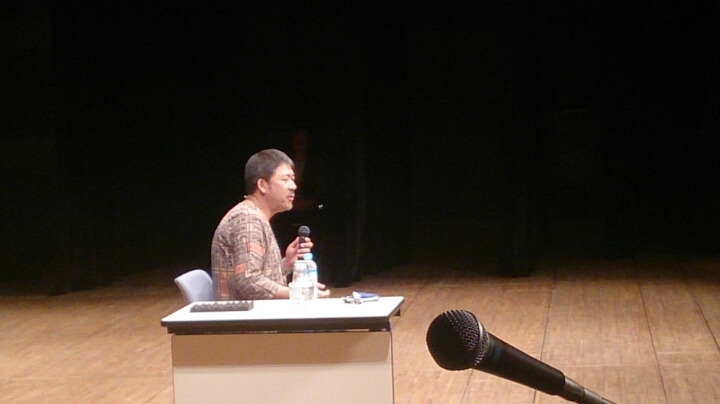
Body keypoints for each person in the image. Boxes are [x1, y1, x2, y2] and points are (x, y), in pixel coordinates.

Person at [211, 149, 330, 300]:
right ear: (262, 185)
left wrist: (286, 264)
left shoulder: (254, 215)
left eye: (293, 179)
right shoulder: (247, 219)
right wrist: (299, 292)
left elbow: (255, 278)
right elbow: (248, 282)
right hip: (246, 314)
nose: (293, 186)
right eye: (285, 179)